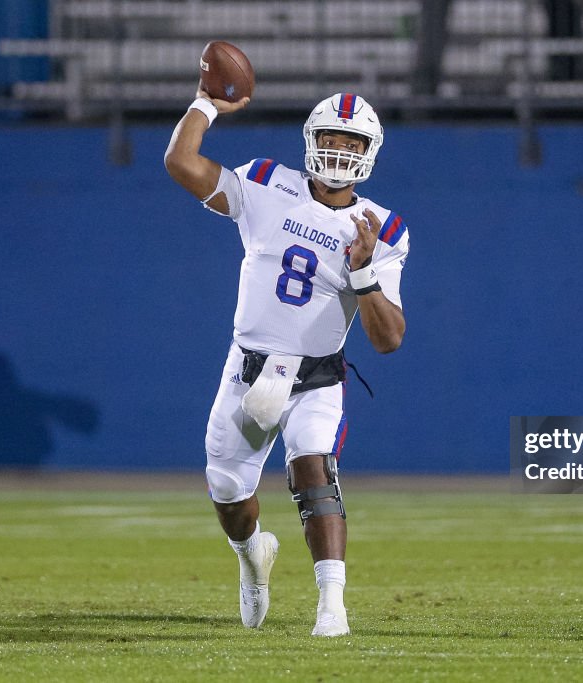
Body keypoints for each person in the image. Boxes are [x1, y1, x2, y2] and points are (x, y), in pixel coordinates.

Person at [164, 90, 409, 637]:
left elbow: (388, 339)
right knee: (228, 493)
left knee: (313, 470)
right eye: (331, 139)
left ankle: (332, 605)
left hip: (318, 376)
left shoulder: (383, 229)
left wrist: (364, 273)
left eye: (352, 142)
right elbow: (182, 163)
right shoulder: (266, 182)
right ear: (310, 141)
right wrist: (206, 103)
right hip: (249, 368)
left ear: (370, 151)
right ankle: (253, 559)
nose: (340, 151)